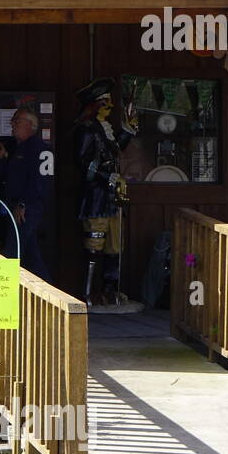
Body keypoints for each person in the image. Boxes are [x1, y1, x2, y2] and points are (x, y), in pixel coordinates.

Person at [71, 77, 138, 305]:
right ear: (95, 105)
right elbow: (83, 163)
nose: (110, 106)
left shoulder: (105, 129)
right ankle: (88, 293)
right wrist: (106, 176)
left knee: (115, 244)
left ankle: (110, 290)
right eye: (105, 102)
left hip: (113, 196)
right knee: (94, 243)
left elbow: (115, 149)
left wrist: (128, 130)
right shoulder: (86, 130)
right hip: (96, 196)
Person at [0, 107, 51, 281]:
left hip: (26, 210)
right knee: (32, 257)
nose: (12, 124)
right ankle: (49, 294)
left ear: (30, 125)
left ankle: (2, 293)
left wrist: (24, 204)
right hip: (13, 207)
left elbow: (40, 182)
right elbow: (9, 179)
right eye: (13, 120)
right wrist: (0, 160)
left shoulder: (39, 149)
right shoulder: (19, 148)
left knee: (12, 253)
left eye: (17, 121)